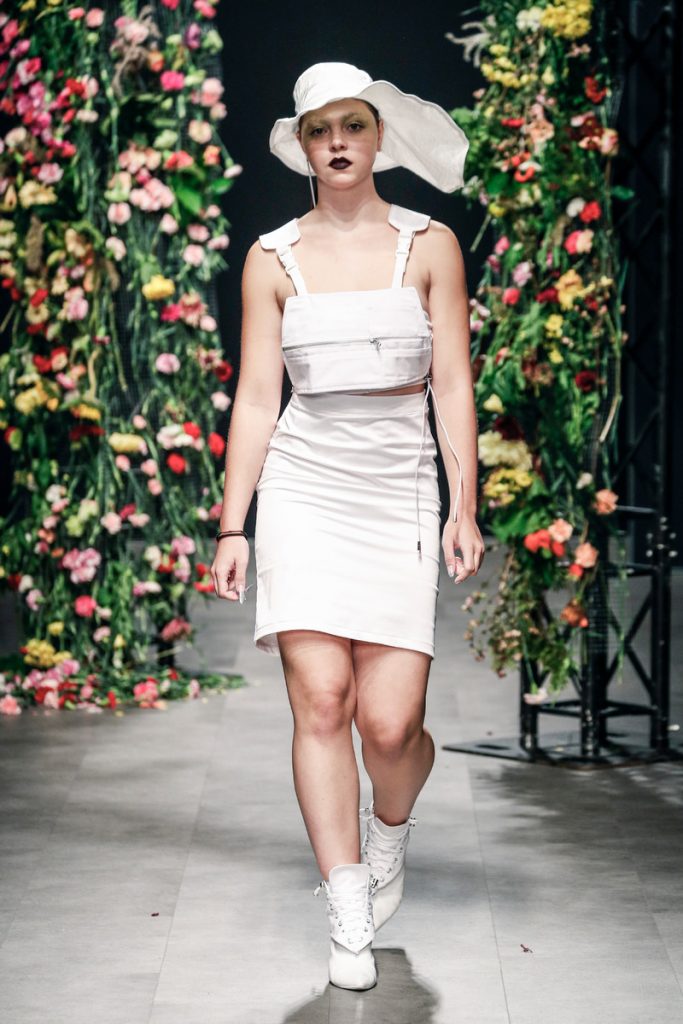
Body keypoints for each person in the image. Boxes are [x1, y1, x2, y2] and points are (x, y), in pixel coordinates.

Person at [211, 62, 485, 991]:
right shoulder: (271, 257)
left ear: (378, 136)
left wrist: (463, 503)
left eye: (353, 126)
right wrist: (234, 524)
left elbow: (452, 384)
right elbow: (258, 396)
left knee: (391, 723)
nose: (337, 142)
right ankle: (346, 899)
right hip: (305, 483)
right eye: (320, 129)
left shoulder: (429, 246)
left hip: (399, 482)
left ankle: (388, 831)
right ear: (301, 144)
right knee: (322, 701)